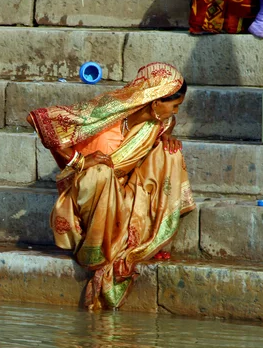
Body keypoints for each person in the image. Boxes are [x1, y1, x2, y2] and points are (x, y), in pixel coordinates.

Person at [27, 62, 196, 310]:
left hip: (124, 192)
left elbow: (165, 126)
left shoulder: (158, 122)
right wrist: (81, 161)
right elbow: (41, 121)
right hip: (88, 193)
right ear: (155, 101)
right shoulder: (106, 111)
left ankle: (147, 234)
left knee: (169, 154)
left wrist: (166, 137)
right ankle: (97, 248)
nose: (176, 113)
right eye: (174, 106)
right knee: (100, 173)